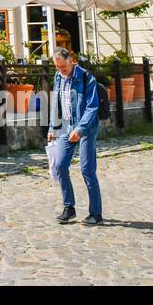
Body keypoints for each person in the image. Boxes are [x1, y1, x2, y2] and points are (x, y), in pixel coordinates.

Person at [47, 47, 103, 225]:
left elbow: (92, 107)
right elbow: (56, 103)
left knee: (87, 169)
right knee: (60, 166)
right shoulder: (58, 77)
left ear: (71, 60)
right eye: (57, 67)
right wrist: (52, 127)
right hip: (65, 126)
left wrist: (79, 130)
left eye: (63, 66)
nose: (61, 70)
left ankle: (96, 213)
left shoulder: (86, 77)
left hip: (86, 128)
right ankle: (69, 208)